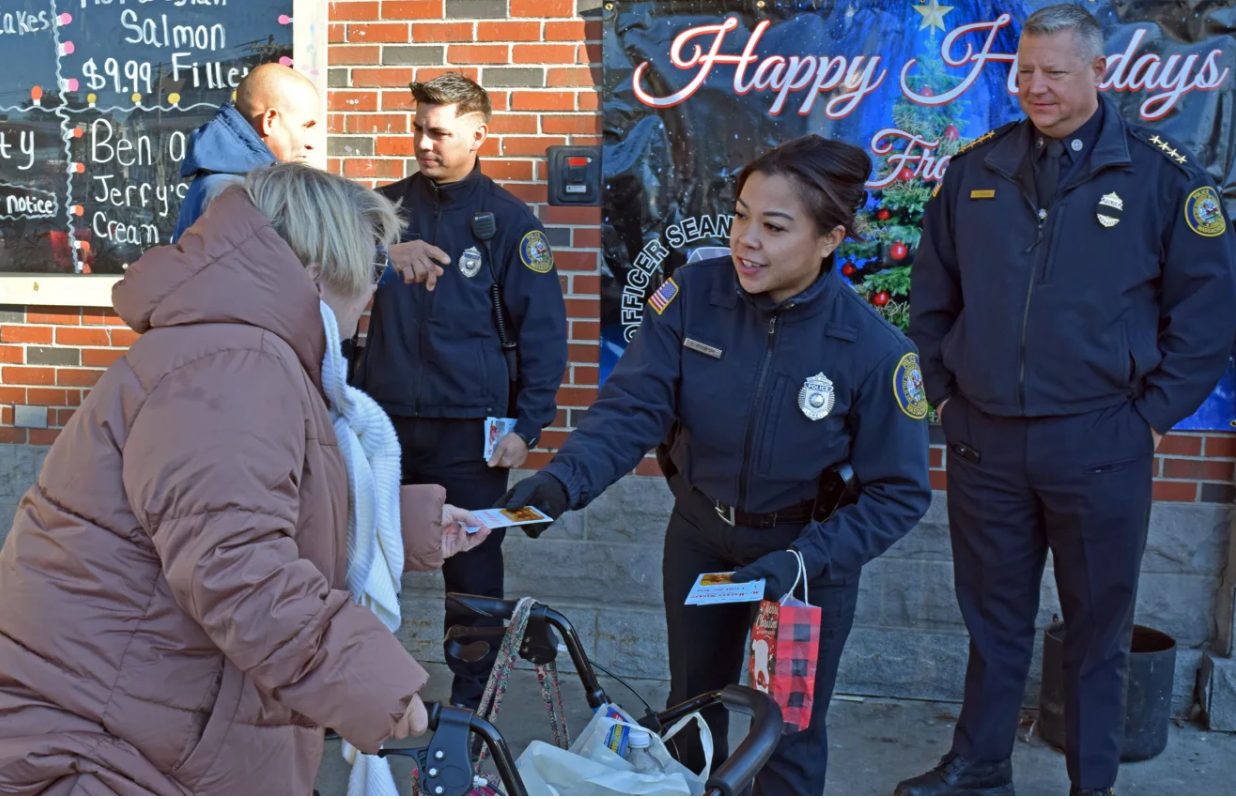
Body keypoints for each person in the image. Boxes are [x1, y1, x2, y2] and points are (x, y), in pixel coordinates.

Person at [0, 163, 490, 795]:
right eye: (373, 265)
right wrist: (370, 682)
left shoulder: (238, 348)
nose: (378, 287)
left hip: (140, 719)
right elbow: (236, 565)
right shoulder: (236, 362)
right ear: (318, 269)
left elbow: (243, 510)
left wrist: (403, 525)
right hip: (111, 745)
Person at [500, 134, 932, 794]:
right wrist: (563, 482)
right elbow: (632, 407)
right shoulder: (691, 295)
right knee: (691, 713)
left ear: (829, 239)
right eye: (740, 216)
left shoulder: (874, 351)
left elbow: (898, 493)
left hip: (802, 566)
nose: (746, 240)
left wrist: (802, 562)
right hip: (702, 540)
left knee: (785, 734)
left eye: (774, 226)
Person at [899, 5, 1236, 796]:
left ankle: (1091, 782)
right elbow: (931, 297)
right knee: (993, 618)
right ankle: (981, 763)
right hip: (985, 441)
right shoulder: (975, 172)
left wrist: (1150, 418)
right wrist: (944, 398)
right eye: (1024, 71)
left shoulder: (1162, 178)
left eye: (1054, 71)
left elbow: (1208, 316)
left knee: (1095, 628)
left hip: (1101, 442)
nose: (1035, 87)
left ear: (1098, 72)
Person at [352, 72, 568, 709]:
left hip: (471, 435)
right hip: (383, 425)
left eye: (439, 132)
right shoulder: (378, 214)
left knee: (472, 577)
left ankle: (471, 709)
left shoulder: (509, 224)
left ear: (478, 135)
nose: (424, 142)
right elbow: (322, 284)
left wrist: (527, 427)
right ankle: (358, 693)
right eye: (418, 128)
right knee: (363, 562)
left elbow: (544, 333)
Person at [172, 62, 320, 240]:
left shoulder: (236, 184)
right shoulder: (230, 194)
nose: (311, 143)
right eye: (305, 126)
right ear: (270, 121)